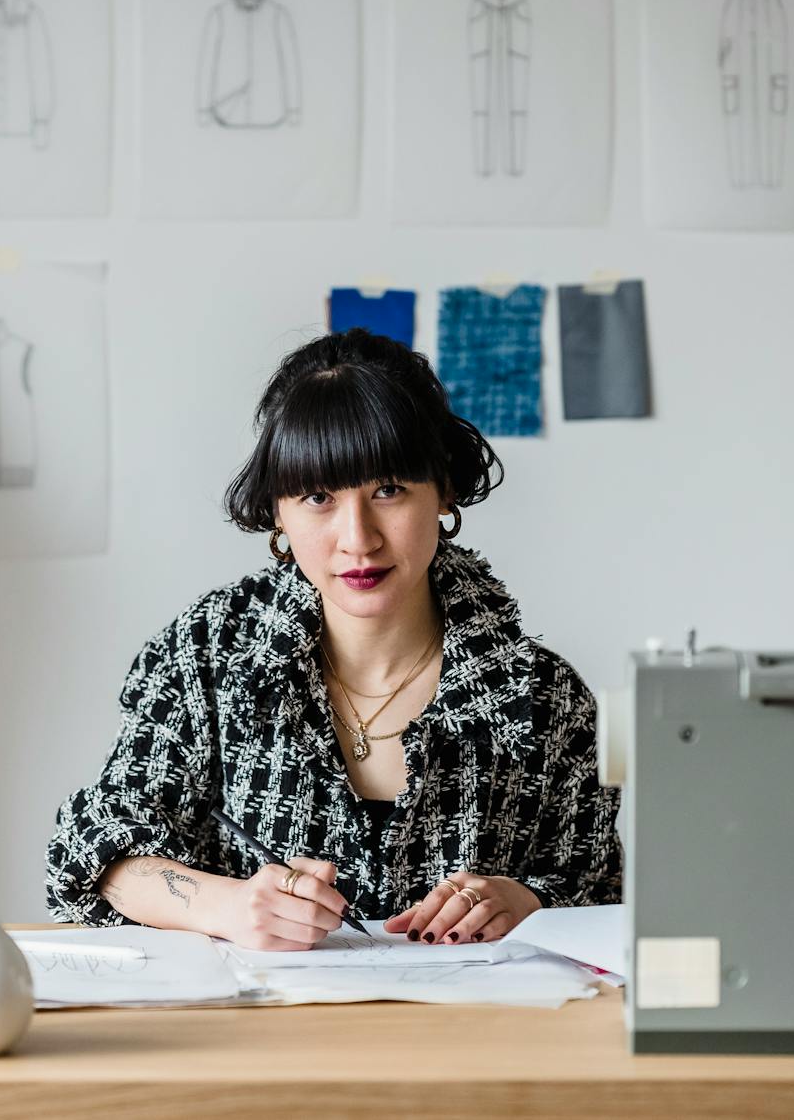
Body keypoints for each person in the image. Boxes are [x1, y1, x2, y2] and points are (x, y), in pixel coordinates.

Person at [43, 331, 621, 949]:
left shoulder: (542, 696)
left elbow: (600, 886)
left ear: (444, 490)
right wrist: (229, 906)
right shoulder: (208, 656)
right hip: (256, 1037)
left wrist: (525, 899)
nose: (358, 538)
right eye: (318, 497)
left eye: (389, 490)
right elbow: (91, 853)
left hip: (470, 1040)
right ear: (278, 512)